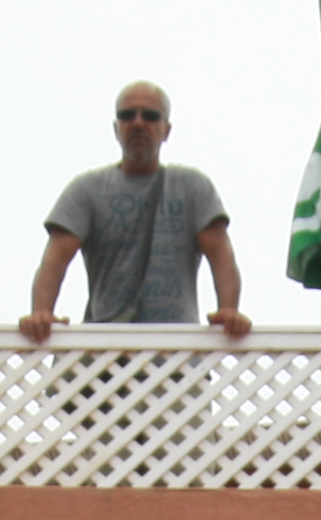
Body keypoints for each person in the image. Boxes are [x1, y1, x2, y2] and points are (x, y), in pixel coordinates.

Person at [23, 83, 251, 342]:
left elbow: (220, 255)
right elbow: (55, 259)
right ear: (116, 128)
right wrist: (41, 313)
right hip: (104, 347)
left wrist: (228, 311)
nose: (138, 123)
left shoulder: (191, 187)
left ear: (166, 130)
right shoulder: (88, 190)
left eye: (150, 116)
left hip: (176, 348)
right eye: (127, 115)